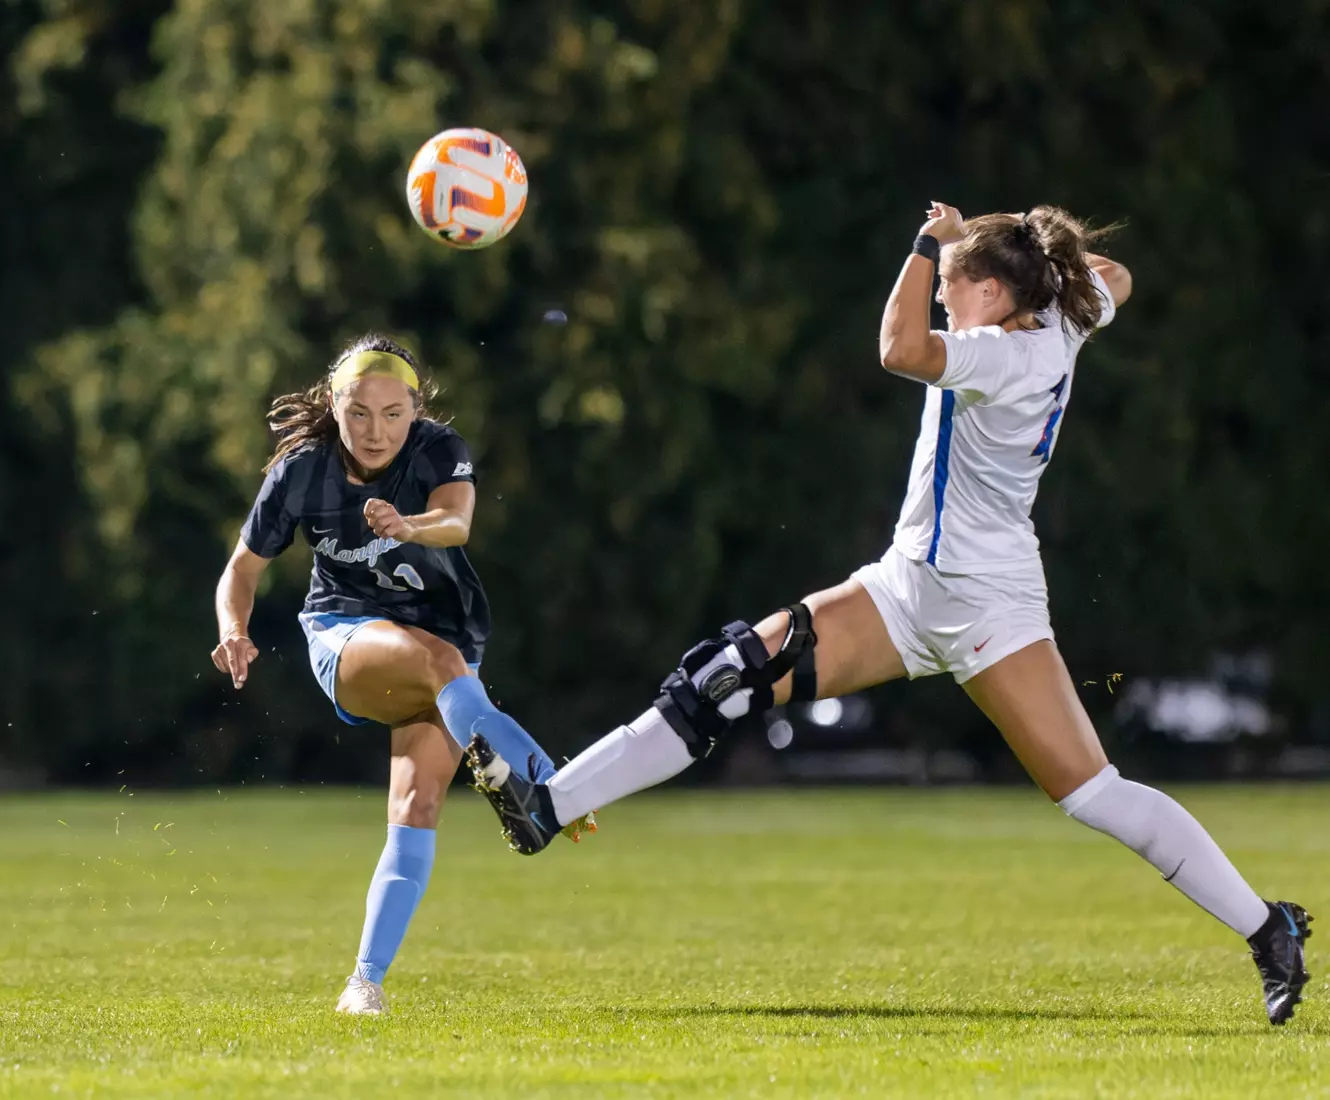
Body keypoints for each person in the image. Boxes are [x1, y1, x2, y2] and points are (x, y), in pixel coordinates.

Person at [465, 203, 1313, 1026]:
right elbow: (1112, 275)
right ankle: (547, 808)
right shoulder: (1060, 316)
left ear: (992, 295)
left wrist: (922, 244)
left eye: (954, 282)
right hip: (904, 588)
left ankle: (1268, 927)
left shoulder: (999, 356)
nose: (943, 292)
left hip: (991, 606)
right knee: (724, 677)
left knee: (1093, 794)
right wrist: (1009, 245)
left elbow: (899, 349)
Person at [210, 334, 592, 1016]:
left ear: (416, 409)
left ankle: (364, 983)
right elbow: (240, 571)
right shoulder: (302, 470)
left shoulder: (439, 448)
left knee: (415, 810)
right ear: (334, 404)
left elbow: (457, 522)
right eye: (359, 412)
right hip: (345, 637)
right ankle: (541, 778)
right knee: (437, 663)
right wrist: (233, 629)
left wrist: (409, 525)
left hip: (447, 654)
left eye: (393, 413)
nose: (375, 429)